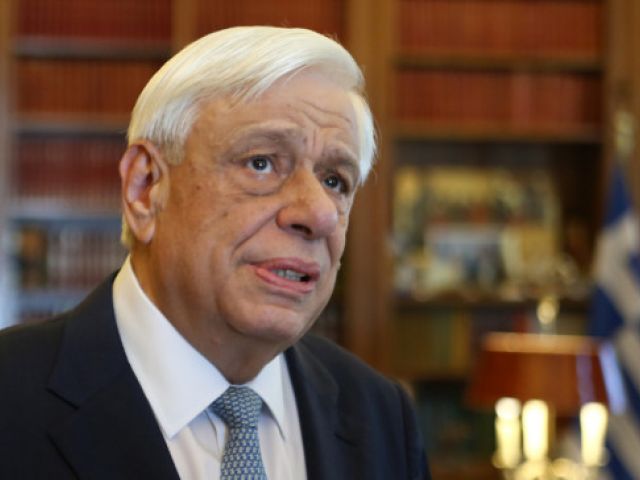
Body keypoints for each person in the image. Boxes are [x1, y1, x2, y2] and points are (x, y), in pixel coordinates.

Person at [0, 26, 430, 479]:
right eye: (261, 163)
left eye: (334, 181)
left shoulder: (382, 417)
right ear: (145, 189)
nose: (318, 213)